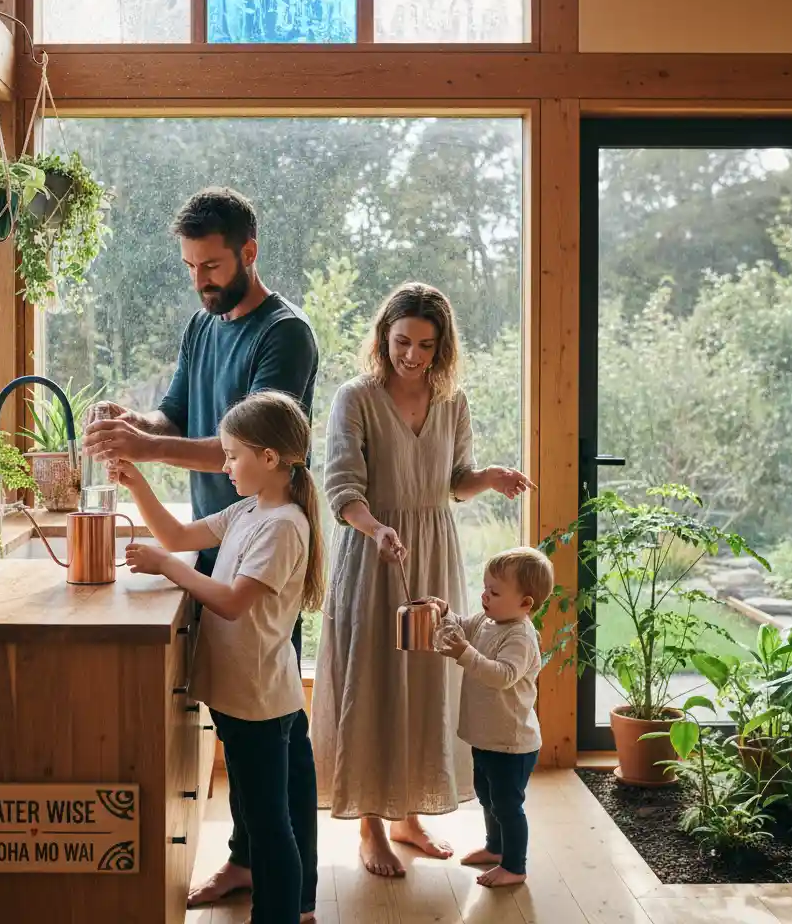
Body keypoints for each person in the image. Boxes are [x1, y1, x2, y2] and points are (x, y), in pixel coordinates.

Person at [82, 187, 319, 912]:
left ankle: (293, 883)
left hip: (258, 552)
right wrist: (136, 423)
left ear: (250, 251)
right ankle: (256, 866)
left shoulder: (286, 333)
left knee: (278, 732)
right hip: (224, 532)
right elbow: (177, 413)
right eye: (190, 266)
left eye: (212, 265)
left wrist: (148, 448)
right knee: (252, 734)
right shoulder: (203, 323)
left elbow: (241, 443)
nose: (201, 281)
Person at [310, 281, 534, 878]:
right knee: (376, 682)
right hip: (373, 552)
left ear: (442, 347)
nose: (412, 355)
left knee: (427, 683)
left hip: (432, 551)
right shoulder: (355, 398)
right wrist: (377, 530)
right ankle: (371, 828)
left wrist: (490, 477)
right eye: (403, 341)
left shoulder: (452, 401)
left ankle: (409, 817)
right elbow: (342, 491)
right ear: (384, 335)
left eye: (426, 345)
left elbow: (455, 480)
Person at [110, 391, 323, 924]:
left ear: (268, 458)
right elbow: (179, 535)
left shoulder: (282, 526)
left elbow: (230, 602)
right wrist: (138, 484)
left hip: (258, 699)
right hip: (241, 693)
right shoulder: (251, 509)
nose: (224, 465)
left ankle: (281, 915)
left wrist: (166, 566)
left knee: (270, 823)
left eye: (232, 455)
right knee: (260, 815)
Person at [428, 546, 554, 888]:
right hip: (487, 738)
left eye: (495, 592)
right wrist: (445, 614)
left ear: (525, 603)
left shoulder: (520, 636)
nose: (485, 595)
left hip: (512, 743)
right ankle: (496, 848)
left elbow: (503, 675)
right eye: (485, 587)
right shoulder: (489, 620)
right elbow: (464, 627)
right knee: (487, 796)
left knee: (508, 806)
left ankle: (515, 866)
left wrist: (465, 654)